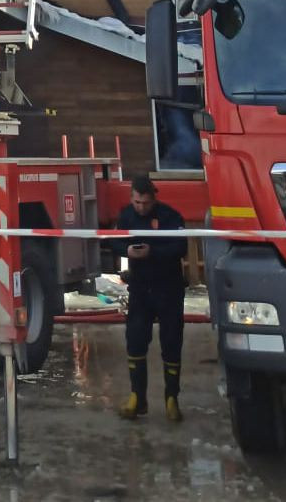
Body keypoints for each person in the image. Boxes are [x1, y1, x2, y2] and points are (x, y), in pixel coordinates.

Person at [114, 172, 188, 422]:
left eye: (145, 203)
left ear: (153, 198)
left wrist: (152, 253)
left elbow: (180, 247)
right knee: (135, 339)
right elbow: (112, 242)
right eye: (137, 202)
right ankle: (137, 397)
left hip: (168, 288)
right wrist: (126, 250)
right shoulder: (126, 215)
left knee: (171, 342)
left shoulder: (170, 216)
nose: (141, 207)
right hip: (140, 289)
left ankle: (171, 399)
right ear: (131, 198)